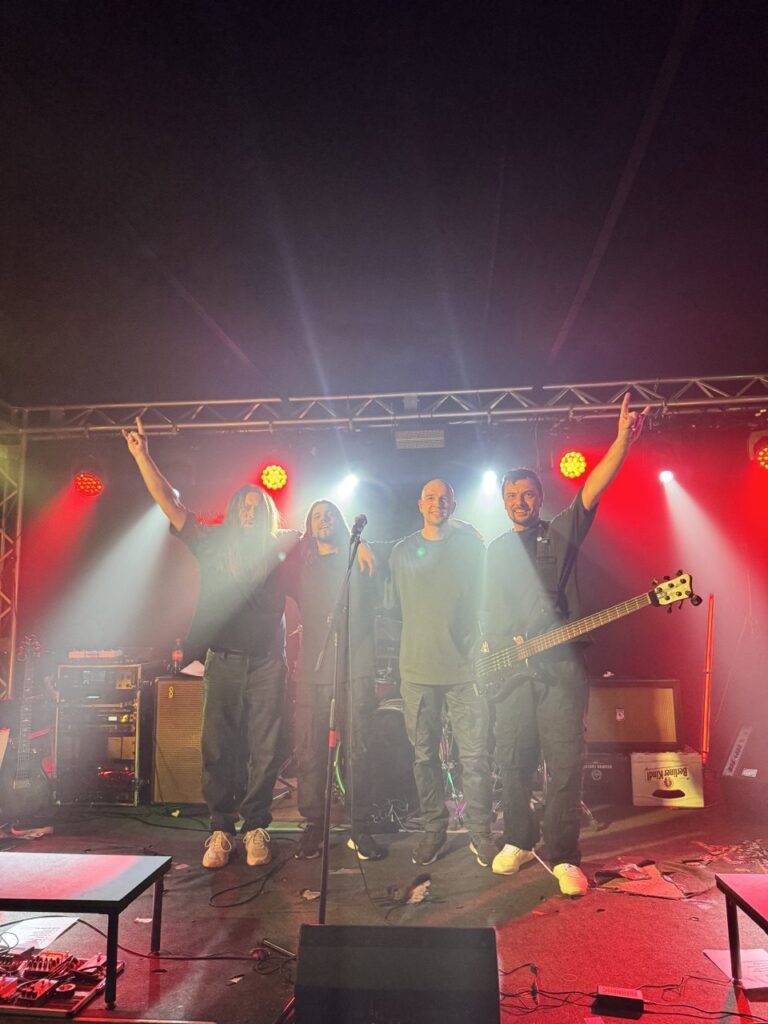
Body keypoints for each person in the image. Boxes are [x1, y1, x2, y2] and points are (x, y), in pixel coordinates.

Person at [483, 393, 649, 896]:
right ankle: (517, 839)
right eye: (512, 494)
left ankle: (563, 856)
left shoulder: (558, 533)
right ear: (503, 500)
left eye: (528, 493)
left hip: (560, 669)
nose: (520, 500)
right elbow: (487, 609)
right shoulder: (494, 550)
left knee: (565, 763)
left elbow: (591, 490)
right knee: (513, 759)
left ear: (539, 498)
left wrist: (621, 442)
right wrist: (499, 642)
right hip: (512, 671)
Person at [123, 418, 293, 870]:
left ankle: (255, 826)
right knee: (217, 747)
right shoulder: (213, 542)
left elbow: (329, 557)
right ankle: (221, 828)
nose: (251, 512)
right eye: (245, 506)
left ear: (269, 513)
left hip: (268, 663)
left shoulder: (282, 548)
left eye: (258, 506)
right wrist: (143, 456)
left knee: (266, 749)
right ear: (235, 512)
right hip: (224, 660)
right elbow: (171, 503)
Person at [389, 479, 494, 868]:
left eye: (444, 498)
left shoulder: (471, 548)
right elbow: (392, 606)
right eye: (431, 498)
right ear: (420, 504)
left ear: (455, 504)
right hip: (417, 672)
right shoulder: (401, 551)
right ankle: (433, 831)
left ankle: (481, 833)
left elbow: (486, 599)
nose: (438, 503)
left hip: (464, 671)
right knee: (424, 758)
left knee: (476, 757)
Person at [285, 500, 385, 862]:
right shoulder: (300, 565)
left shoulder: (357, 557)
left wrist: (365, 544)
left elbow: (395, 553)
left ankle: (360, 826)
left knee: (359, 750)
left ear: (341, 522)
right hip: (314, 670)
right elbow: (273, 548)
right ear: (309, 526)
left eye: (329, 514)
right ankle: (315, 824)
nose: (323, 520)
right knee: (309, 751)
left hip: (355, 667)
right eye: (316, 515)